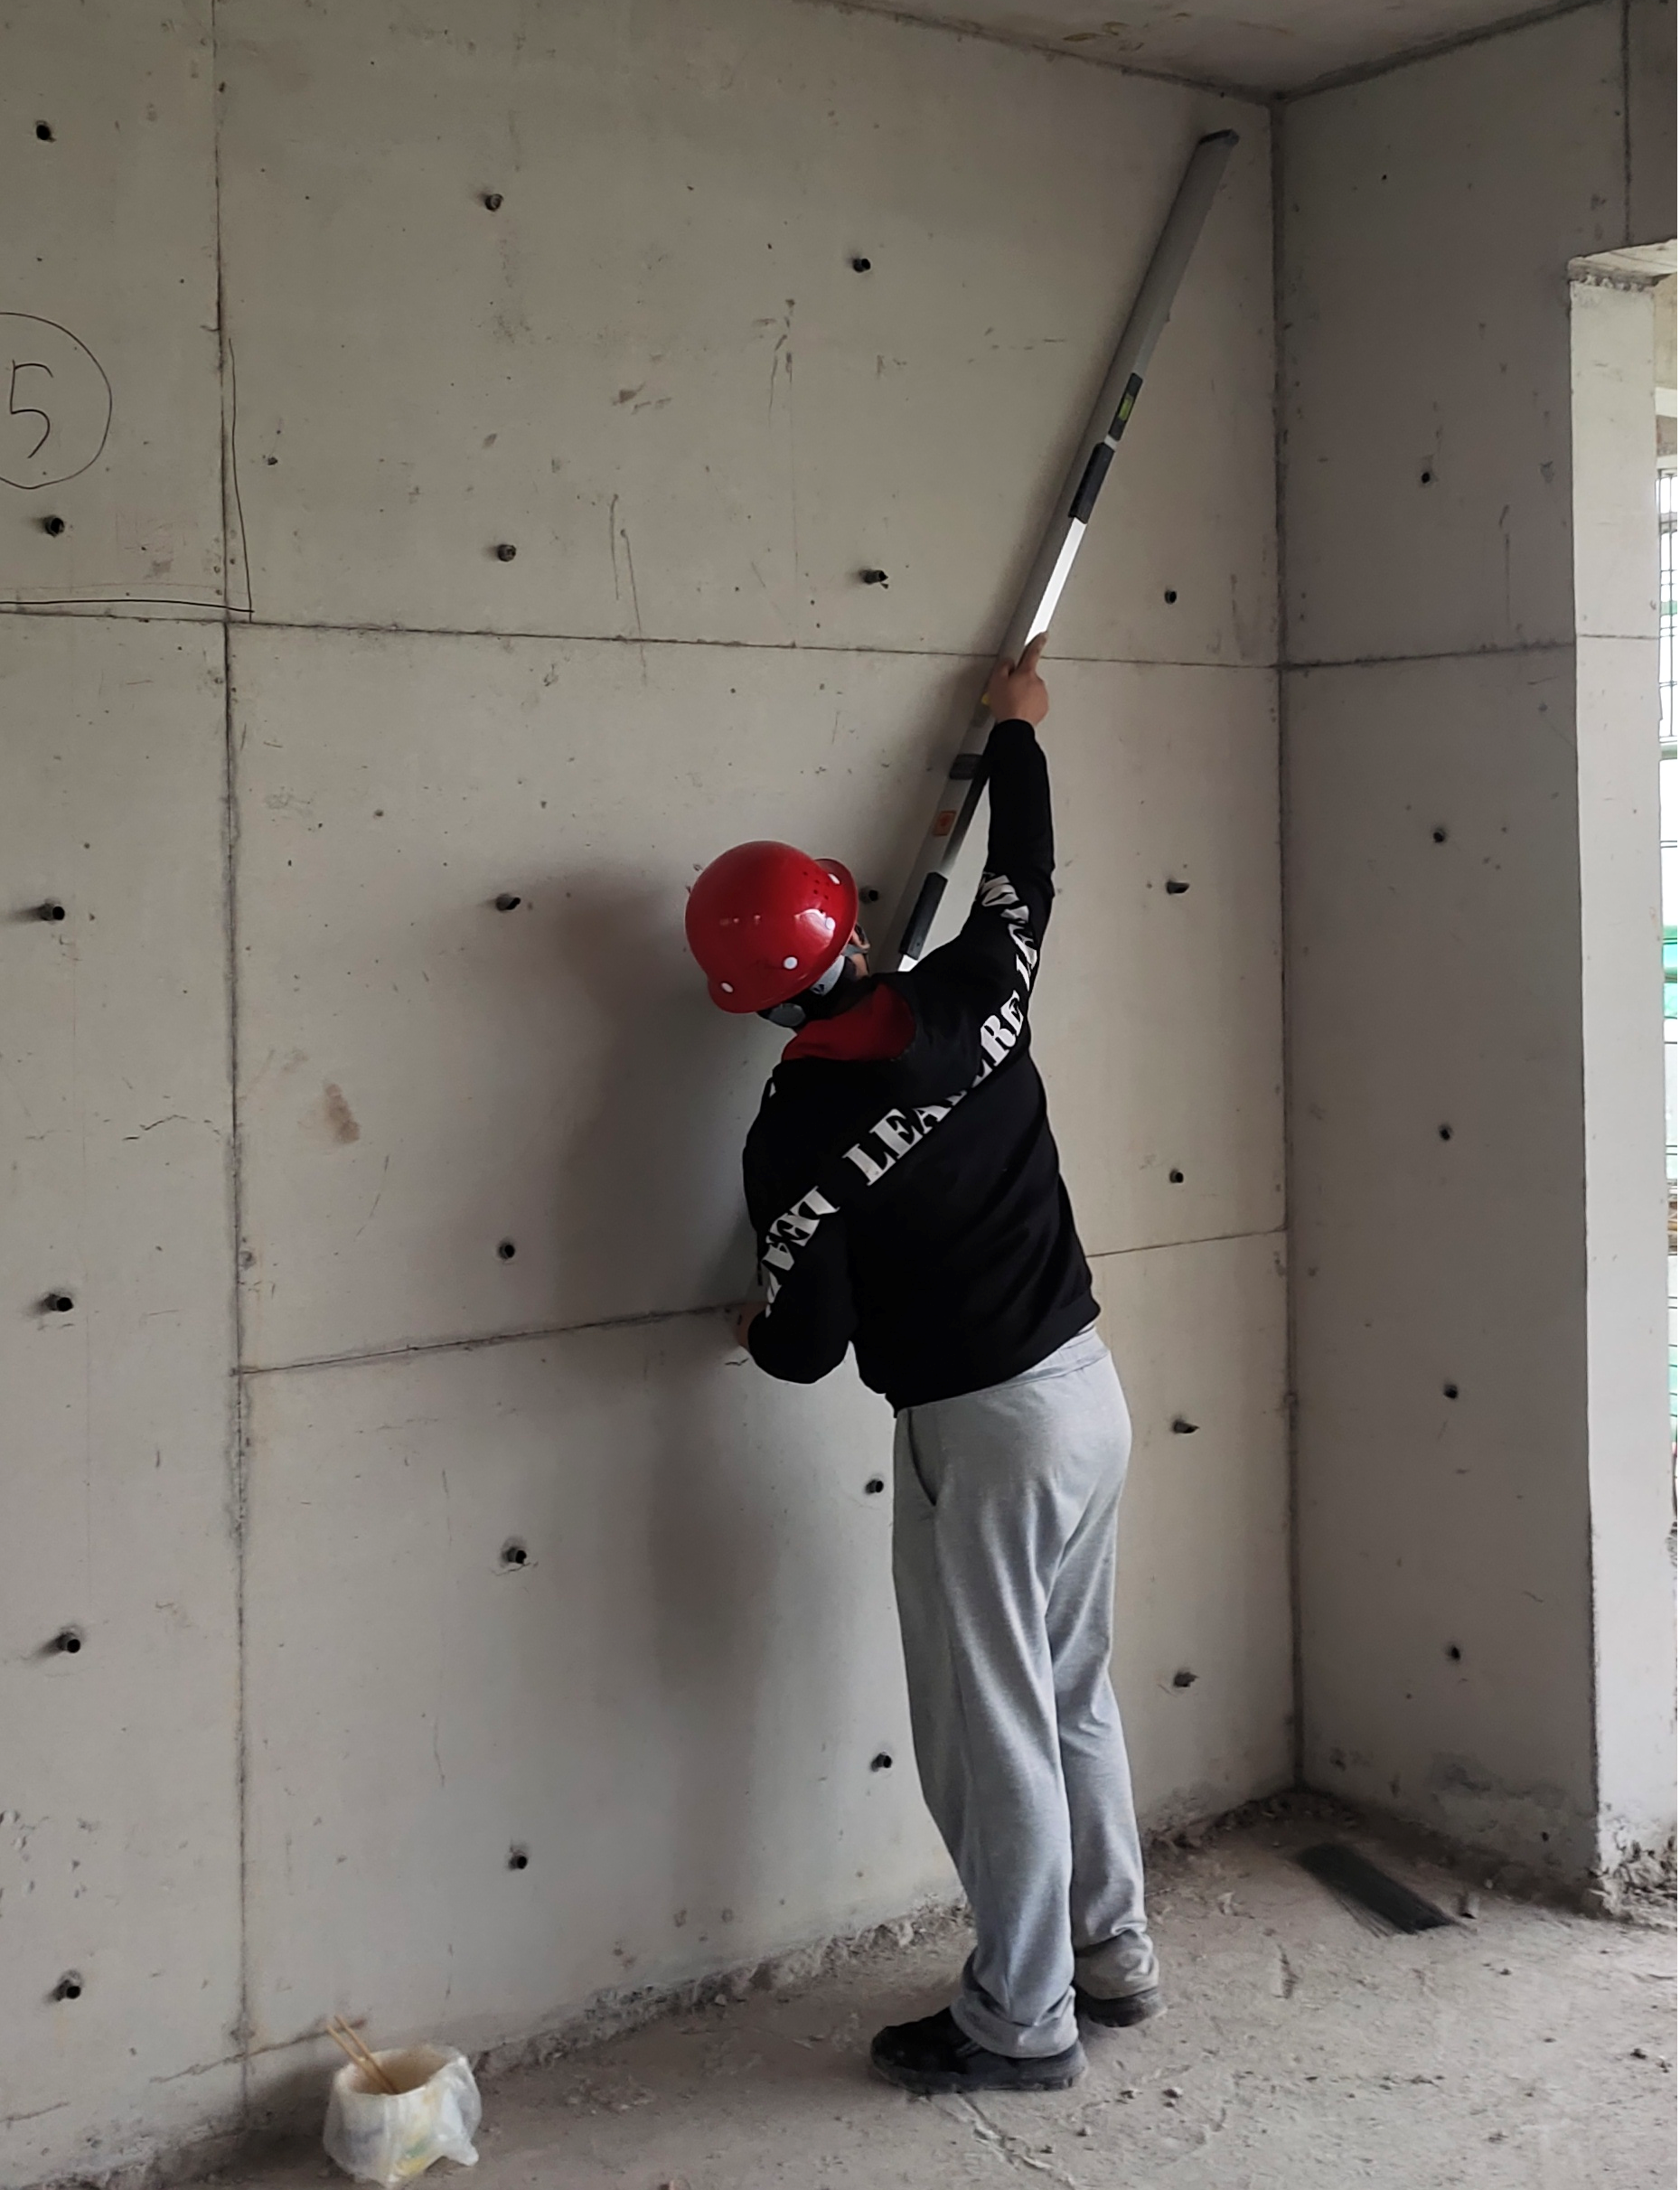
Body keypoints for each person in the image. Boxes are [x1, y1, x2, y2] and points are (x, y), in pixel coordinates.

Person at [683, 637, 1159, 2097]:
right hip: (1087, 1392)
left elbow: (805, 1348)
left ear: (755, 1001)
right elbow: (1026, 868)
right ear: (848, 922)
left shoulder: (791, 1136)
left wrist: (753, 1319)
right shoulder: (975, 988)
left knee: (988, 1727)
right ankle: (1110, 1951)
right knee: (1070, 1692)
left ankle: (1020, 2017)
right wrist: (1016, 728)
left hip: (982, 1435)